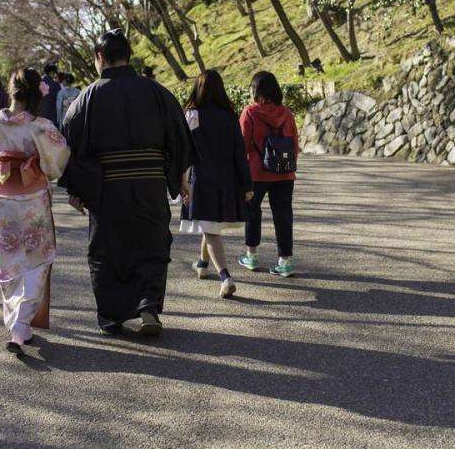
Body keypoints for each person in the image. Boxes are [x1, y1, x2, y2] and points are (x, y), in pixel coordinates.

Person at [60, 29, 193, 336]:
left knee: (107, 250)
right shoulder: (156, 91)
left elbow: (70, 145)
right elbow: (180, 137)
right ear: (128, 56)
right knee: (151, 245)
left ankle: (111, 316)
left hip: (107, 188)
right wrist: (181, 179)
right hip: (150, 184)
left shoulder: (87, 98)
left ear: (99, 58)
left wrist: (77, 189)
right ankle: (147, 305)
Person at [0, 69, 70, 355]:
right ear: (36, 93)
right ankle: (20, 324)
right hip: (31, 198)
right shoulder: (40, 127)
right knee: (38, 259)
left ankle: (18, 324)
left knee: (7, 260)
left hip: (1, 198)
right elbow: (57, 161)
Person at [180, 70, 253, 299]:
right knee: (209, 225)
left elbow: (184, 152)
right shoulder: (229, 115)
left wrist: (181, 182)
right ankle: (202, 264)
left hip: (201, 181)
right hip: (227, 181)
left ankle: (225, 277)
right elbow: (239, 154)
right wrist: (247, 184)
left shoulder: (192, 115)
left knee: (211, 231)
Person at [238, 71, 300, 278]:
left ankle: (252, 256)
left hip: (256, 173)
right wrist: (289, 166)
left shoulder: (250, 112)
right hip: (284, 173)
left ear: (256, 90)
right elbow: (295, 145)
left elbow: (242, 144)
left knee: (252, 212)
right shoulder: (287, 114)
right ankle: (285, 261)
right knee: (283, 216)